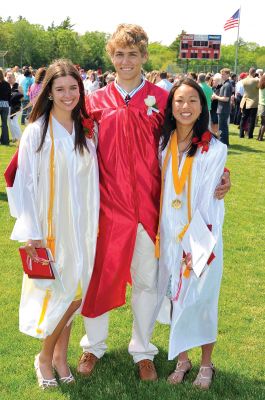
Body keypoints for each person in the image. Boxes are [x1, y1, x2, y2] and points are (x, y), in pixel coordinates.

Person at [78, 24, 231, 382]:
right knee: (100, 277)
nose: (126, 61)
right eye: (119, 54)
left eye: (133, 54)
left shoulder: (163, 100)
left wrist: (223, 174)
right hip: (108, 208)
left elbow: (195, 137)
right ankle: (93, 346)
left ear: (144, 56)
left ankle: (142, 349)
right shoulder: (95, 101)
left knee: (147, 281)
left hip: (152, 208)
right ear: (111, 57)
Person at [8, 59, 99, 389]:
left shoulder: (87, 131)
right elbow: (22, 182)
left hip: (83, 226)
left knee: (75, 293)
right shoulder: (37, 132)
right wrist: (30, 229)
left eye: (73, 88)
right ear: (48, 93)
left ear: (80, 89)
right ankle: (45, 358)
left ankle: (61, 357)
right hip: (51, 226)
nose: (67, 94)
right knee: (58, 293)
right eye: (59, 89)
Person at [154, 78, 227, 390]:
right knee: (175, 297)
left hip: (200, 238)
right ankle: (183, 360)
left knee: (202, 298)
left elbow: (209, 201)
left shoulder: (214, 149)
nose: (185, 107)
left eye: (192, 101)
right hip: (168, 235)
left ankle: (206, 364)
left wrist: (196, 247)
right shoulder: (162, 144)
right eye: (179, 101)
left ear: (202, 107)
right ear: (171, 106)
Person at [212, 68, 232, 146]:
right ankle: (225, 143)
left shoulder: (227, 85)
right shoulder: (226, 84)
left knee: (222, 127)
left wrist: (215, 97)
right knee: (224, 127)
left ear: (227, 75)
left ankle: (223, 143)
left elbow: (226, 99)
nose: (222, 76)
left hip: (223, 109)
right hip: (222, 109)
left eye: (223, 74)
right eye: (221, 74)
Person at [239, 67, 259, 139]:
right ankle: (250, 135)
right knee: (252, 119)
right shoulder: (256, 80)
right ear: (254, 73)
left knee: (244, 118)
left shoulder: (244, 80)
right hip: (253, 101)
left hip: (245, 100)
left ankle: (241, 134)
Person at [6, 71, 23, 142]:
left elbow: (22, 97)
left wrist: (14, 97)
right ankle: (14, 137)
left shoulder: (18, 86)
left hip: (17, 107)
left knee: (14, 122)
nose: (9, 79)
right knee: (10, 122)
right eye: (7, 77)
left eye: (10, 77)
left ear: (14, 78)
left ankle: (20, 138)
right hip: (9, 107)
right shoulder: (7, 86)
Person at [0, 68, 11, 145]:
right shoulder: (7, 84)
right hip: (5, 104)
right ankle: (5, 140)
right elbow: (9, 95)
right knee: (4, 123)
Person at [257, 73, 265, 141]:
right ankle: (261, 137)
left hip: (260, 106)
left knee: (262, 123)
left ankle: (258, 136)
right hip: (264, 106)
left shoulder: (260, 86)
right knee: (264, 123)